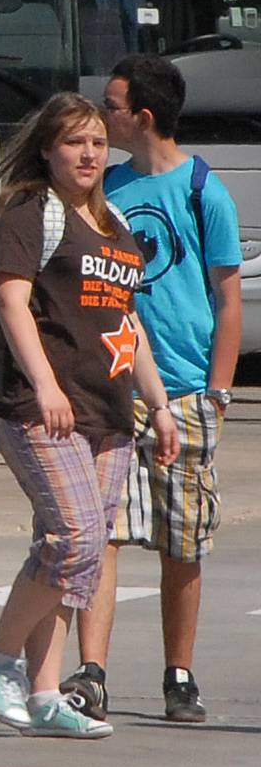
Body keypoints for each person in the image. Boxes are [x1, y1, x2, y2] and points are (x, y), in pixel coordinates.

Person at [0, 93, 179, 740]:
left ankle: (45, 693)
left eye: (95, 142)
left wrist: (160, 404)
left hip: (109, 410)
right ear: (47, 151)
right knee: (75, 539)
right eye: (73, 143)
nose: (88, 154)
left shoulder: (113, 223)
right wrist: (44, 382)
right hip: (41, 407)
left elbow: (127, 322)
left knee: (76, 557)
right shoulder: (31, 211)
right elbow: (10, 299)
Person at [61, 57, 238, 724]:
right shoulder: (104, 190)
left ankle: (179, 672)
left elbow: (227, 297)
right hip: (111, 384)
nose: (101, 118)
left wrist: (216, 394)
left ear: (144, 116)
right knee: (100, 529)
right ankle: (92, 669)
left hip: (187, 388)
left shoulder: (202, 190)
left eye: (111, 106)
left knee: (182, 539)